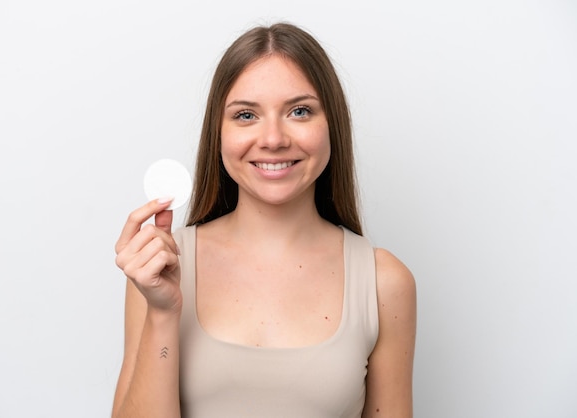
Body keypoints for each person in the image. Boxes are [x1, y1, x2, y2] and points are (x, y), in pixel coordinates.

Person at [112, 22, 416, 418]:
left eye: (300, 111)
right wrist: (163, 312)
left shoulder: (384, 283)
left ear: (332, 126)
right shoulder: (160, 266)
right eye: (245, 116)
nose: (273, 138)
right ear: (218, 133)